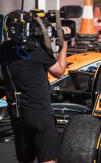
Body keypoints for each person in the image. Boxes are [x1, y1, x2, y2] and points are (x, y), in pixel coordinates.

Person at [0, 14, 70, 163]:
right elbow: (59, 71)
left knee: (25, 159)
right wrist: (63, 46)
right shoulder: (37, 51)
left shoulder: (4, 50)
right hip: (40, 113)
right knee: (48, 159)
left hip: (17, 114)